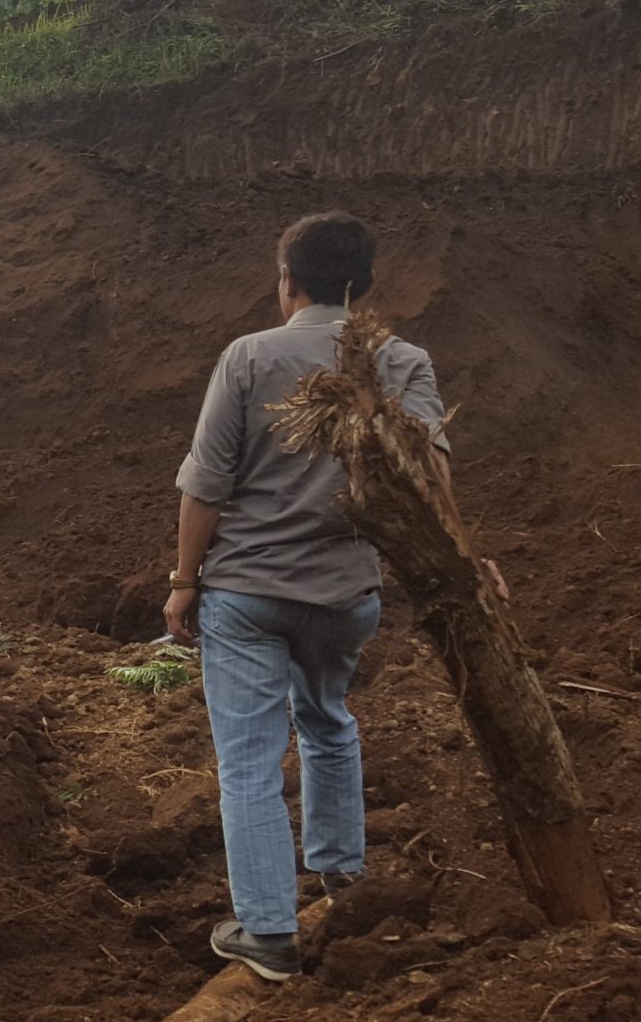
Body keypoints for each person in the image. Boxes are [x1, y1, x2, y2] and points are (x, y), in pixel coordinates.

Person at [163, 212, 493, 982]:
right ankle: (343, 872)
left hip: (247, 593)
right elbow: (430, 476)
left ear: (288, 281)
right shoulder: (401, 361)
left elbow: (205, 485)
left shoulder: (248, 357)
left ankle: (269, 932)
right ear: (366, 286)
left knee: (248, 760)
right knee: (328, 719)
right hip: (347, 592)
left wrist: (184, 585)